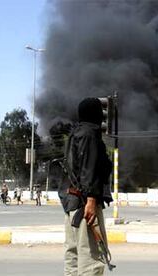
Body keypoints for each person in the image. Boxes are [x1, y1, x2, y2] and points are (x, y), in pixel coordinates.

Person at [58, 97, 113, 276]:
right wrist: (90, 200)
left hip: (72, 203)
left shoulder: (75, 134)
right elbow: (88, 168)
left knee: (73, 256)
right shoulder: (90, 134)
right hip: (84, 205)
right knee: (91, 260)